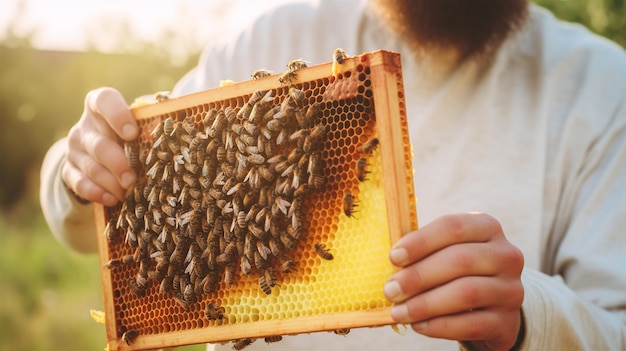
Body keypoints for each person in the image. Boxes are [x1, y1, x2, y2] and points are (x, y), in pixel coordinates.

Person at [40, 0, 626, 350]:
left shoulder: (601, 87)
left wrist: (529, 319)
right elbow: (89, 219)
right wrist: (79, 167)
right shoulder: (271, 36)